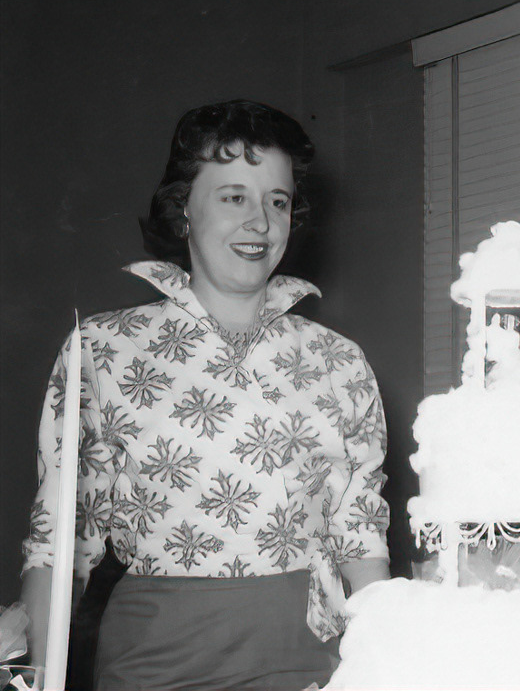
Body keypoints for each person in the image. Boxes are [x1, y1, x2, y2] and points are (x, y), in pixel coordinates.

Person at [21, 99, 390, 690]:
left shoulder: (338, 360)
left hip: (310, 662)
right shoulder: (103, 349)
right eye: (234, 196)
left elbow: (360, 535)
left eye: (278, 200)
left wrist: (390, 668)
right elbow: (58, 545)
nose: (261, 222)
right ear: (183, 209)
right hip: (156, 663)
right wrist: (36, 678)